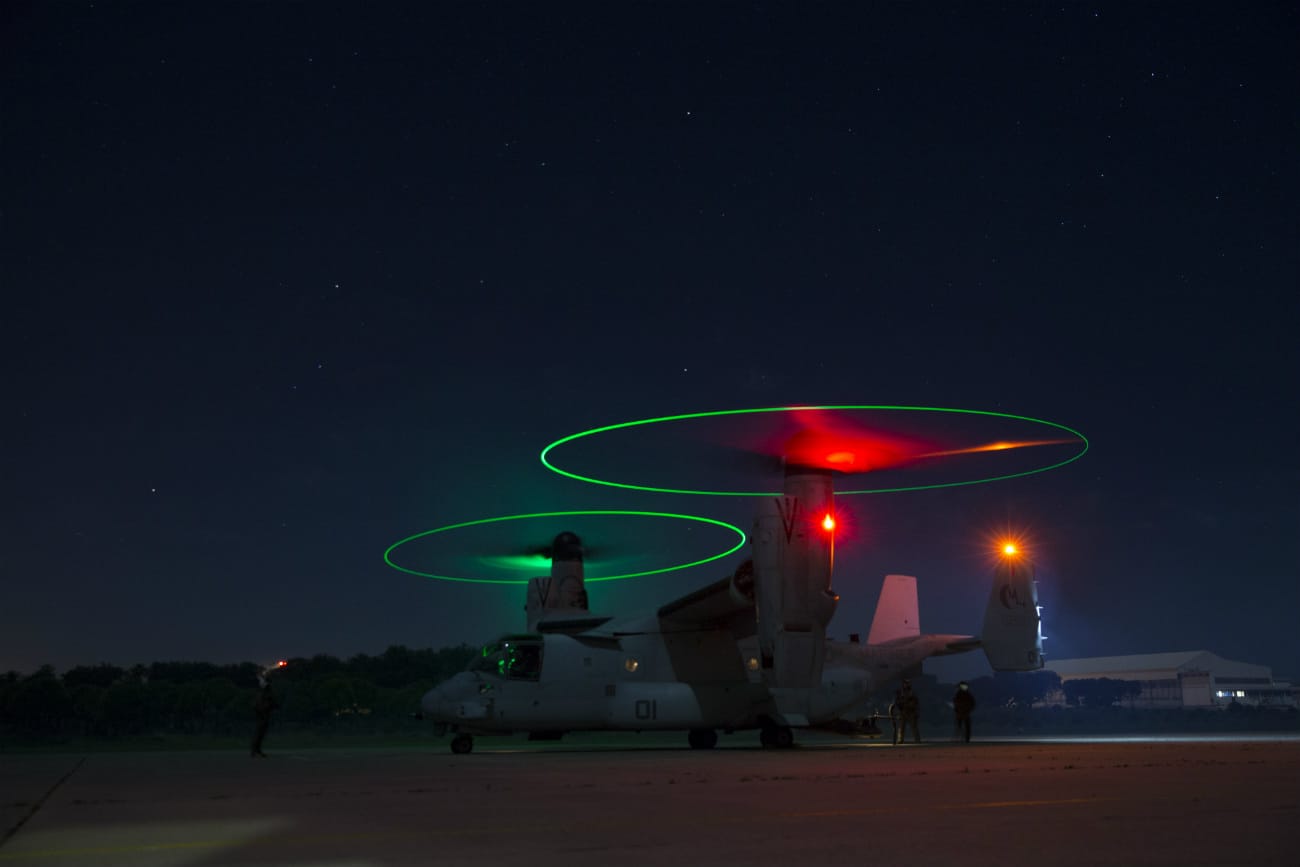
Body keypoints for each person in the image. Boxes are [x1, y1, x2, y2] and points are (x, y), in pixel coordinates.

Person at [250, 681, 278, 757]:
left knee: (261, 734)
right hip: (262, 716)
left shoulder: (265, 696)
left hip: (264, 716)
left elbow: (273, 705)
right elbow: (257, 706)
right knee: (259, 734)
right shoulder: (263, 696)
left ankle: (257, 750)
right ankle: (255, 750)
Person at [898, 679, 921, 744]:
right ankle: (900, 740)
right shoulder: (901, 692)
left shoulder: (912, 692)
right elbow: (899, 701)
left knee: (914, 727)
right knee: (901, 727)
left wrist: (909, 704)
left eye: (907, 683)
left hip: (911, 712)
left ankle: (917, 740)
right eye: (905, 683)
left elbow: (915, 702)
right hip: (903, 712)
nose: (906, 685)